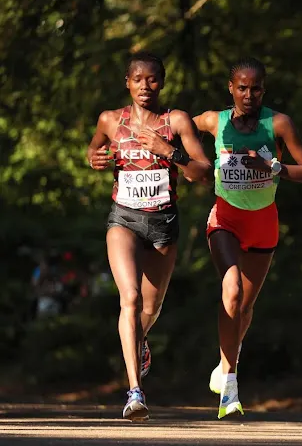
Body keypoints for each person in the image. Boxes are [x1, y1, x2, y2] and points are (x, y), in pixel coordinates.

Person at [86, 51, 211, 421]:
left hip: (163, 224)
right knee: (131, 298)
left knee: (150, 310)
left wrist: (168, 151)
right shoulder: (111, 119)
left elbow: (202, 172)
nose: (145, 86)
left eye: (152, 79)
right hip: (123, 218)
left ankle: (139, 344)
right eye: (137, 79)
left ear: (162, 82)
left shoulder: (176, 120)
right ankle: (135, 390)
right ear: (127, 82)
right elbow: (94, 148)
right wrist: (94, 157)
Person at [193, 57, 302, 419]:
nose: (249, 94)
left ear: (264, 89)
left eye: (256, 88)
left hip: (264, 222)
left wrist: (271, 167)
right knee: (230, 291)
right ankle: (230, 387)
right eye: (242, 88)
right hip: (225, 219)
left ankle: (223, 364)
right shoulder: (213, 121)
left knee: (244, 308)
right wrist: (198, 165)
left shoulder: (278, 124)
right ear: (230, 88)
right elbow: (183, 128)